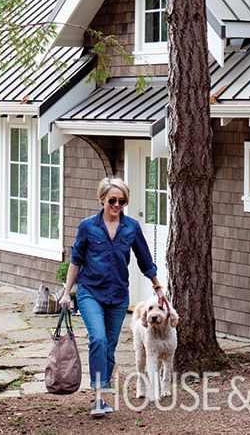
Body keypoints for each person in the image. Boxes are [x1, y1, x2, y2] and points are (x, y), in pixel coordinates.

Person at [60, 176, 166, 417]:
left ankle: (102, 395)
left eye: (122, 201)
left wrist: (157, 287)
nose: (117, 205)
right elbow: (76, 260)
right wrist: (67, 292)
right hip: (90, 292)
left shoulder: (131, 227)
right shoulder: (88, 226)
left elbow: (145, 260)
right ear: (102, 200)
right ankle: (98, 399)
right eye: (112, 201)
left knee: (109, 346)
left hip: (118, 295)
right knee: (97, 339)